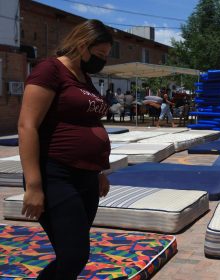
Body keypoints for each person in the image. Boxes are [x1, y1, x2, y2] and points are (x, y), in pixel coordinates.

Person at [18, 19, 113, 279]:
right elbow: (27, 125)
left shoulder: (84, 78)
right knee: (75, 254)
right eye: (100, 54)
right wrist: (34, 186)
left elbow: (89, 122)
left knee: (72, 253)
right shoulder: (50, 70)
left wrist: (98, 171)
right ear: (82, 45)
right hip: (55, 174)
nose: (102, 60)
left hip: (86, 177)